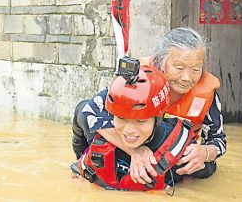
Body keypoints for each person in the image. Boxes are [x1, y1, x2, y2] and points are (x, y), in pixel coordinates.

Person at [71, 65, 208, 190]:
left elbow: (208, 170)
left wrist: (205, 153)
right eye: (121, 118)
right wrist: (80, 158)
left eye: (141, 121)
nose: (129, 130)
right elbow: (81, 110)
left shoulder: (179, 150)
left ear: (158, 118)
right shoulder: (97, 125)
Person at [133, 27, 227, 181]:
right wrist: (134, 151)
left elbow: (219, 141)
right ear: (162, 62)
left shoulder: (207, 92)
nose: (186, 78)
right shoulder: (140, 79)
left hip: (175, 153)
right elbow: (95, 115)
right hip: (136, 146)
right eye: (179, 68)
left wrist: (204, 152)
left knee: (204, 168)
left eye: (195, 69)